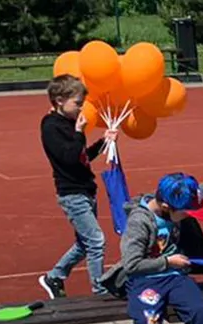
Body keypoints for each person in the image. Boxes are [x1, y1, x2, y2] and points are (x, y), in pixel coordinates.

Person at [99, 173, 203, 324]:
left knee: (200, 311)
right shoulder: (139, 222)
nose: (188, 216)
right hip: (145, 279)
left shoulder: (172, 203)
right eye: (185, 212)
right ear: (166, 207)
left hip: (175, 277)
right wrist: (168, 262)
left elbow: (194, 194)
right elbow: (132, 265)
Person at [38, 75, 120, 299]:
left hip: (86, 189)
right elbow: (70, 157)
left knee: (84, 243)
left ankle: (55, 276)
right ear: (59, 100)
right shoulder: (51, 126)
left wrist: (104, 142)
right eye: (77, 103)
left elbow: (83, 157)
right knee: (96, 241)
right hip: (71, 193)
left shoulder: (70, 124)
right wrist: (78, 132)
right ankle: (99, 289)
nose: (81, 108)